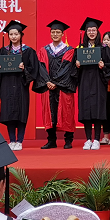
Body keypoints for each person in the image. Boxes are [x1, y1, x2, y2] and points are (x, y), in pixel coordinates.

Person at [0, 20, 39, 151]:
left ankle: (19, 141)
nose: (13, 36)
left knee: (21, 112)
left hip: (20, 85)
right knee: (8, 113)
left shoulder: (28, 51)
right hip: (6, 85)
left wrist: (25, 69)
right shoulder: (3, 51)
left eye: (16, 34)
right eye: (11, 34)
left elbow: (34, 70)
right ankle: (12, 140)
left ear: (21, 35)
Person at [36, 20, 77, 150]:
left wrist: (55, 82)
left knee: (67, 112)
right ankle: (51, 140)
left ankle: (68, 140)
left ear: (62, 34)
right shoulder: (44, 50)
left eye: (58, 32)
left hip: (63, 87)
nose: (55, 34)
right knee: (49, 113)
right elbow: (41, 67)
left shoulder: (69, 50)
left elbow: (67, 68)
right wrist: (47, 81)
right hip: (48, 86)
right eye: (53, 32)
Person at [74, 17, 110, 150]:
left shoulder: (103, 48)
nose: (91, 32)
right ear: (85, 32)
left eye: (94, 30)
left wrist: (103, 66)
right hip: (85, 82)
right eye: (89, 30)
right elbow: (73, 70)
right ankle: (87, 140)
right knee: (86, 111)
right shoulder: (80, 48)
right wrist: (77, 65)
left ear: (97, 32)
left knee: (97, 110)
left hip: (98, 82)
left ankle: (96, 139)